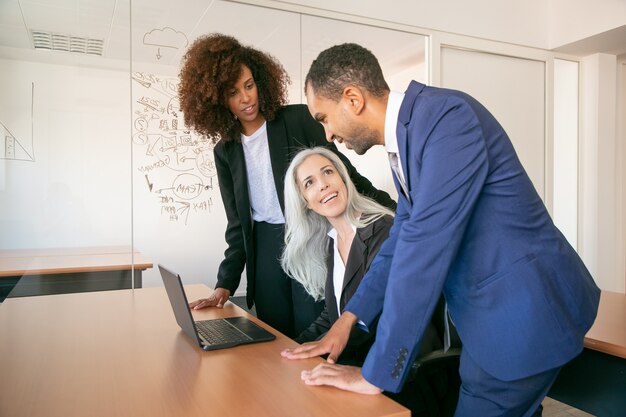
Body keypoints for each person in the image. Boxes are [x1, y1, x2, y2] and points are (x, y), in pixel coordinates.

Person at [282, 43, 601, 416]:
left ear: (352, 99)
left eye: (323, 117)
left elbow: (422, 252)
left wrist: (376, 375)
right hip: (487, 327)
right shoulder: (409, 137)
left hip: (524, 315)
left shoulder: (448, 119)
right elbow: (402, 238)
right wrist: (348, 320)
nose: (328, 134)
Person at [177, 35, 395, 338]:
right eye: (233, 92)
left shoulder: (297, 120)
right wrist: (224, 284)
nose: (245, 98)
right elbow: (238, 224)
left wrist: (398, 214)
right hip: (264, 245)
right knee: (273, 333)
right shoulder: (224, 151)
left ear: (260, 81)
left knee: (313, 327)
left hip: (309, 234)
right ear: (217, 99)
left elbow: (347, 178)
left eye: (249, 85)